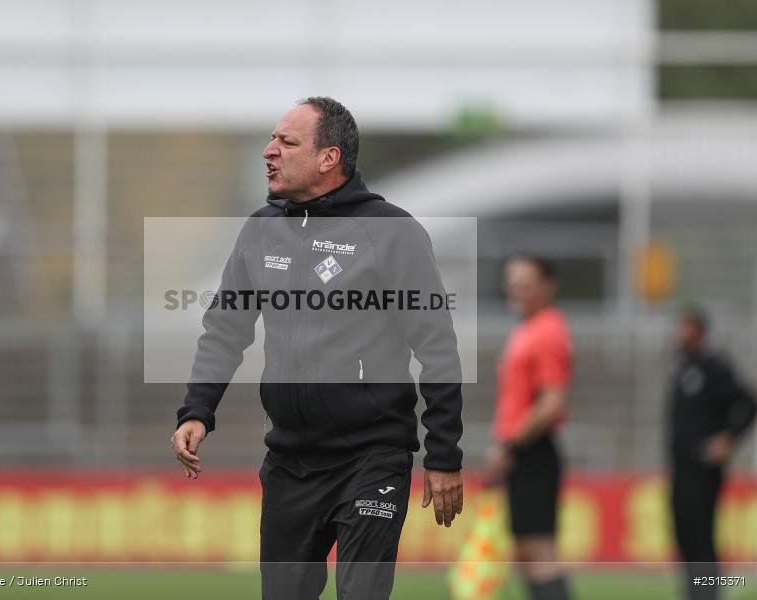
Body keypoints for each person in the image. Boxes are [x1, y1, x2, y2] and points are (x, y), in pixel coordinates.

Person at [170, 97, 465, 600]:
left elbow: (437, 347)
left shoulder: (393, 232)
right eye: (272, 139)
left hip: (372, 458)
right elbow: (225, 328)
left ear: (329, 157)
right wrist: (197, 409)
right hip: (289, 462)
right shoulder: (260, 229)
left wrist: (443, 454)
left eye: (287, 142)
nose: (269, 151)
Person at [484, 254, 573, 600]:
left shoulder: (548, 330)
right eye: (512, 282)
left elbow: (552, 402)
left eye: (526, 284)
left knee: (539, 552)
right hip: (522, 451)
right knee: (526, 552)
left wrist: (511, 446)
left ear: (547, 287)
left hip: (532, 450)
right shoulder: (527, 328)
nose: (516, 290)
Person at [666, 305, 757, 600]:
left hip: (703, 470)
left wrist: (728, 439)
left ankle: (707, 594)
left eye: (685, 328)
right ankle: (693, 592)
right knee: (684, 533)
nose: (679, 334)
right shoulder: (683, 367)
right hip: (680, 468)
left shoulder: (715, 368)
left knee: (701, 534)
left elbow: (749, 403)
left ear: (700, 332)